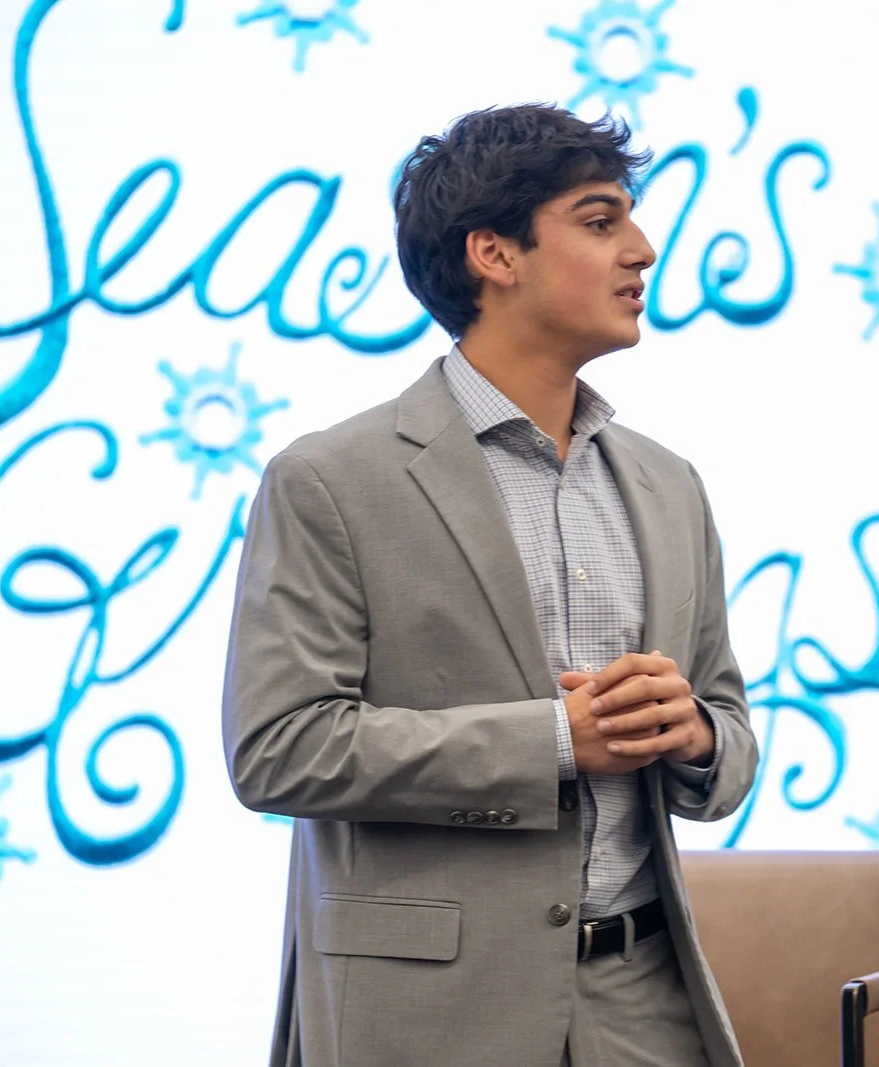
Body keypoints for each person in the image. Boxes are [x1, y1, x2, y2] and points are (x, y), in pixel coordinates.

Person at [221, 104, 758, 1067]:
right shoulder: (329, 480)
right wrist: (552, 741)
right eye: (599, 221)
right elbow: (278, 748)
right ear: (493, 253)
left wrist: (697, 736)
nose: (642, 249)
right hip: (428, 1017)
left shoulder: (669, 483)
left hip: (644, 1005)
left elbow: (728, 731)